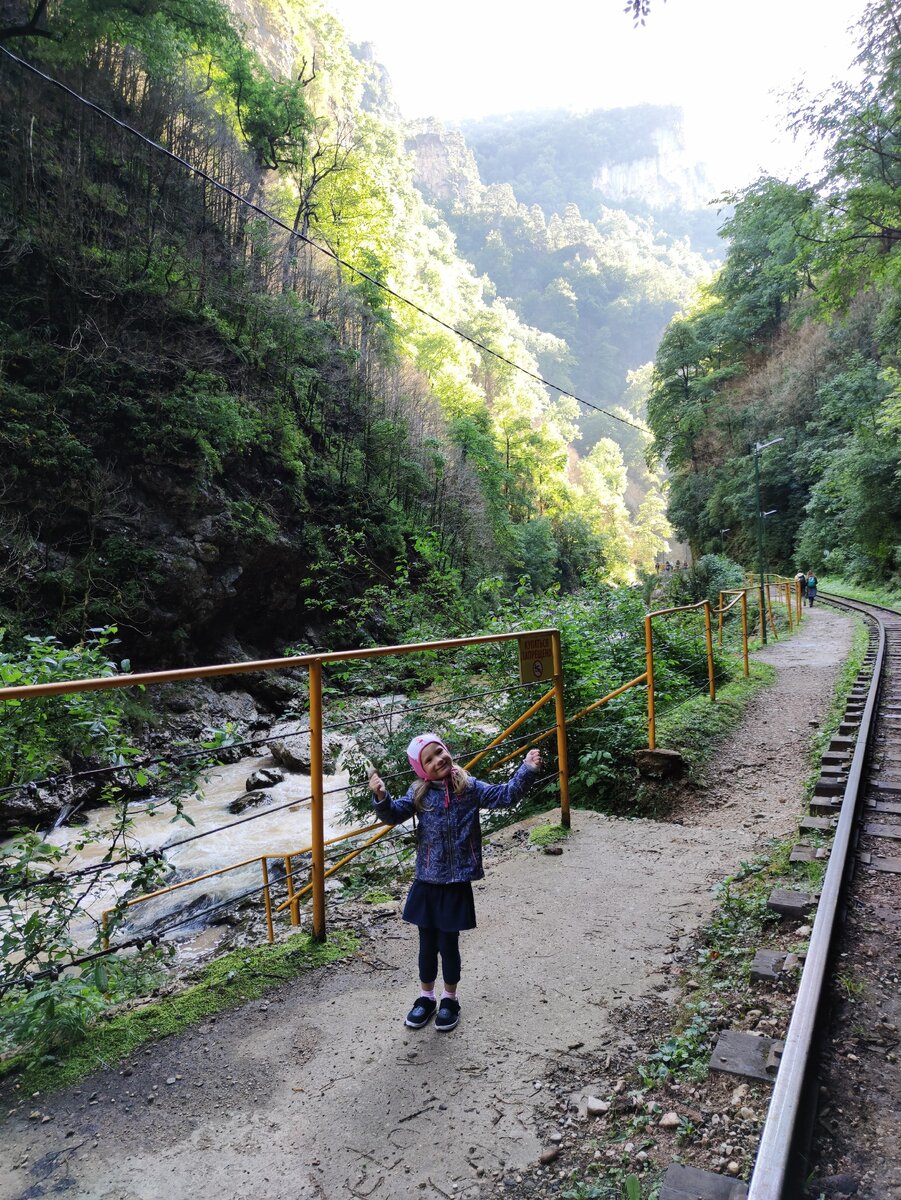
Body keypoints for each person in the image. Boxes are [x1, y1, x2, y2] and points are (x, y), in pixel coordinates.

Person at [368, 733, 541, 1032]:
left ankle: (450, 999)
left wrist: (526, 769)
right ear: (421, 769)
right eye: (429, 759)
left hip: (456, 879)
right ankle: (426, 998)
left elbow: (505, 796)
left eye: (440, 752)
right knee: (426, 944)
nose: (438, 760)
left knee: (448, 944)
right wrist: (382, 797)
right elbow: (394, 816)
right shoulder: (419, 793)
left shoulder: (469, 787)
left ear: (447, 751)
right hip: (427, 879)